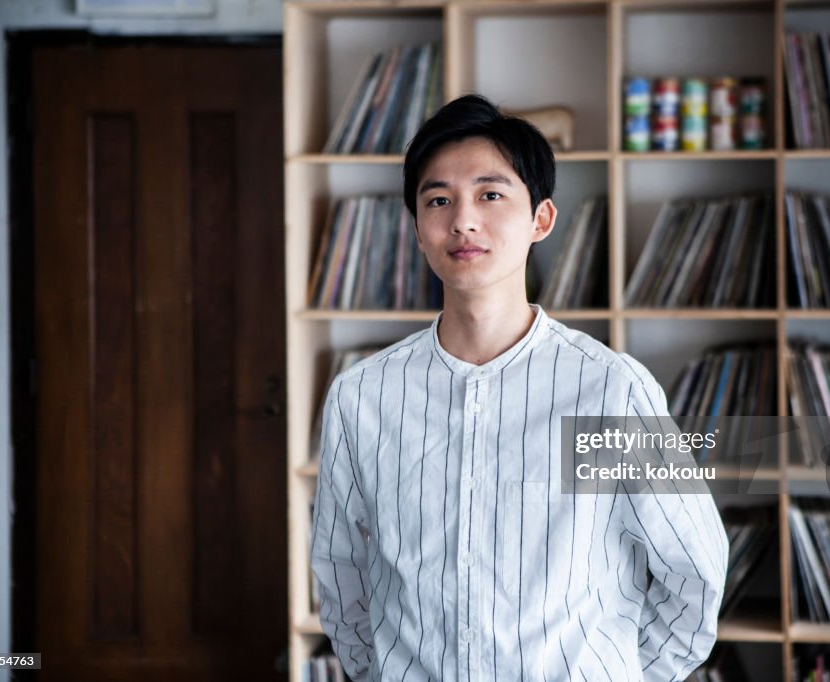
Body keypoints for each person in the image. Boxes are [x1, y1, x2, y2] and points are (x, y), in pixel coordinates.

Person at [311, 94, 729, 681]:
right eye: (439, 200)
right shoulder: (362, 399)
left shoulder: (611, 390)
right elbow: (341, 575)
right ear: (418, 230)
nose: (463, 220)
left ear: (541, 219)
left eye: (490, 194)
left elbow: (695, 572)